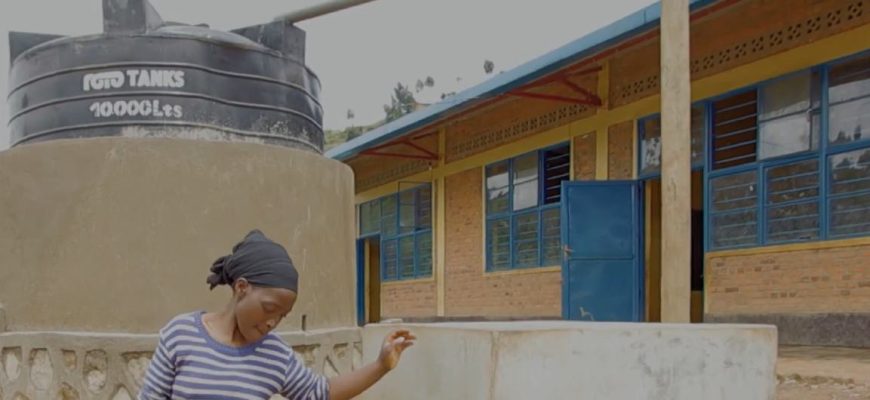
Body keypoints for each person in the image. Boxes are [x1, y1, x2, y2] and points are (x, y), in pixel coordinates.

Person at [138, 229, 415, 400]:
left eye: (282, 316)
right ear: (241, 288)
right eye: (269, 308)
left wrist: (381, 365)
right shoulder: (181, 334)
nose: (272, 322)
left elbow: (319, 393)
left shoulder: (275, 355)